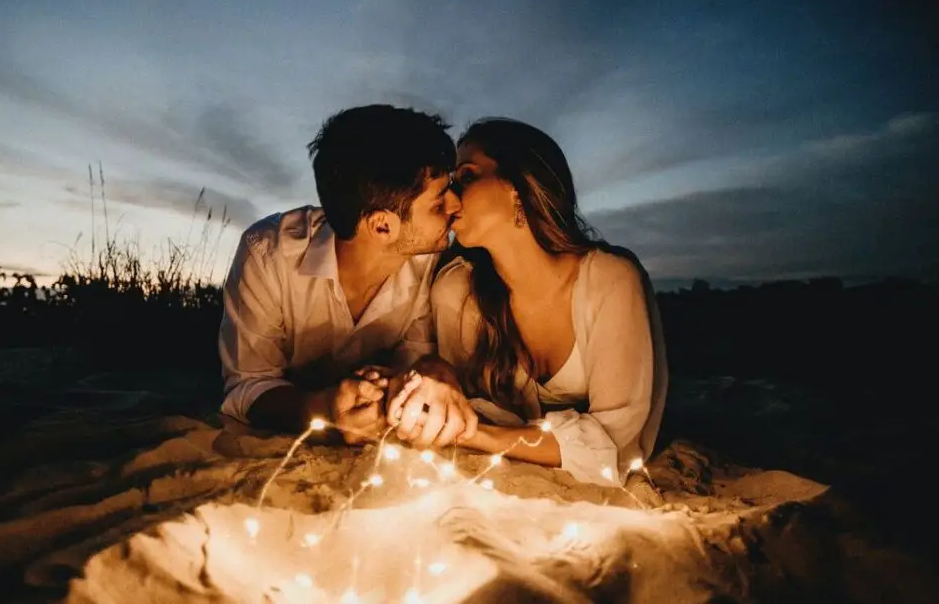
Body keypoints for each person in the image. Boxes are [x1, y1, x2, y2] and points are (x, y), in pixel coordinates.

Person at [388, 118, 668, 485]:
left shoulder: (609, 280)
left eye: (467, 177)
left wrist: (473, 434)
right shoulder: (457, 289)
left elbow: (617, 444)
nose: (450, 198)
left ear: (519, 186)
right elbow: (463, 402)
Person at [218, 105, 477, 445]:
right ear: (382, 225)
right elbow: (247, 385)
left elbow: (418, 359)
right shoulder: (268, 254)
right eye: (438, 202)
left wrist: (433, 373)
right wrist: (321, 410)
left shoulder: (432, 262)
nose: (457, 205)